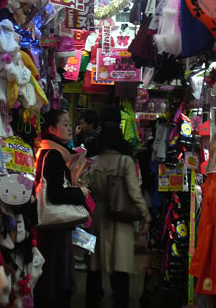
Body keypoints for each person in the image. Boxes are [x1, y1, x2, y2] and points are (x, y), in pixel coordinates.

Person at [85, 111, 151, 308]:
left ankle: (92, 301)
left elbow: (83, 190)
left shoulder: (92, 162)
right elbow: (134, 193)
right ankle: (120, 302)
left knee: (93, 266)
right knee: (121, 267)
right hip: (121, 218)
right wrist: (146, 217)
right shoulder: (126, 162)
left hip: (95, 216)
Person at [33, 109, 90, 308]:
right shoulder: (55, 156)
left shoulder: (47, 151)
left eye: (69, 124)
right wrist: (80, 192)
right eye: (64, 124)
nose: (69, 128)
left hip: (50, 233)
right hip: (54, 233)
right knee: (55, 284)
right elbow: (55, 194)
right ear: (51, 128)